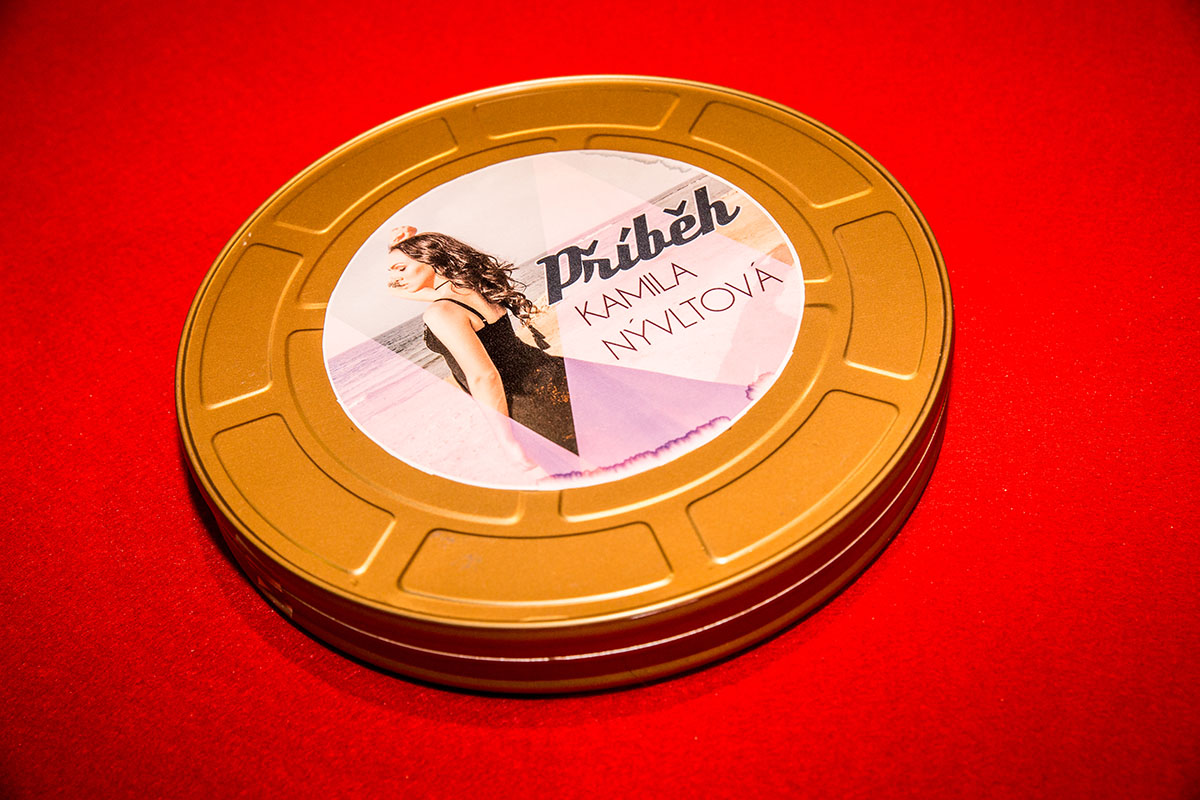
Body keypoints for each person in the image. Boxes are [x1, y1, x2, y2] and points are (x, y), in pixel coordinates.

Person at [385, 228, 578, 467]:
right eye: (392, 270)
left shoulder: (441, 311)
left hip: (527, 402)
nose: (396, 277)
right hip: (552, 374)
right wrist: (402, 248)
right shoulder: (471, 288)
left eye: (401, 268)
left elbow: (484, 377)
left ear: (431, 259)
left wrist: (507, 442)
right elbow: (394, 288)